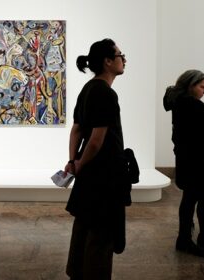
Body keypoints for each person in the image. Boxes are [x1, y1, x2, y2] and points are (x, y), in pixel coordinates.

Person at [64, 39, 130, 279]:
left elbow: (77, 130)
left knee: (84, 225)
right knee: (102, 234)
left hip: (88, 172)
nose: (124, 59)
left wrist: (73, 162)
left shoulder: (88, 88)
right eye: (120, 55)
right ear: (108, 61)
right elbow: (96, 139)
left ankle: (77, 273)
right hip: (104, 175)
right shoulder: (105, 93)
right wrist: (80, 163)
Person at [164, 69, 204, 257]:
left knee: (202, 197)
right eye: (202, 87)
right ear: (191, 86)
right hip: (196, 161)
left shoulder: (180, 104)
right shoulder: (191, 106)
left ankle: (203, 236)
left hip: (193, 160)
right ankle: (186, 239)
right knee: (194, 198)